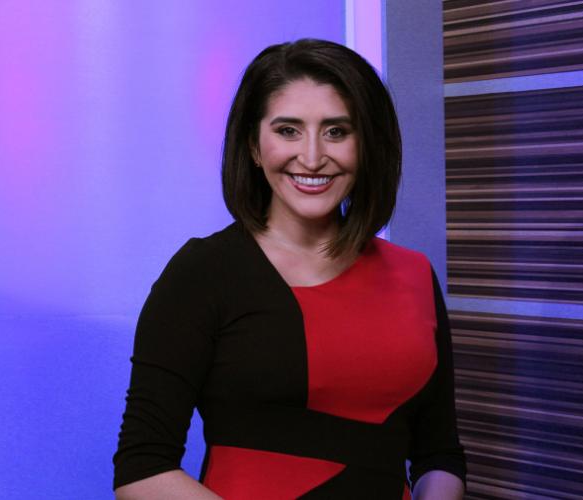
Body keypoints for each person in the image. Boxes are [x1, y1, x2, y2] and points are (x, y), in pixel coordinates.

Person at [113, 38, 466, 499]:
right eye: (288, 130)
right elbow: (141, 469)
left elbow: (439, 453)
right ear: (255, 147)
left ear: (368, 147)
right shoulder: (204, 271)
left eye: (337, 131)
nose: (313, 156)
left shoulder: (414, 273)